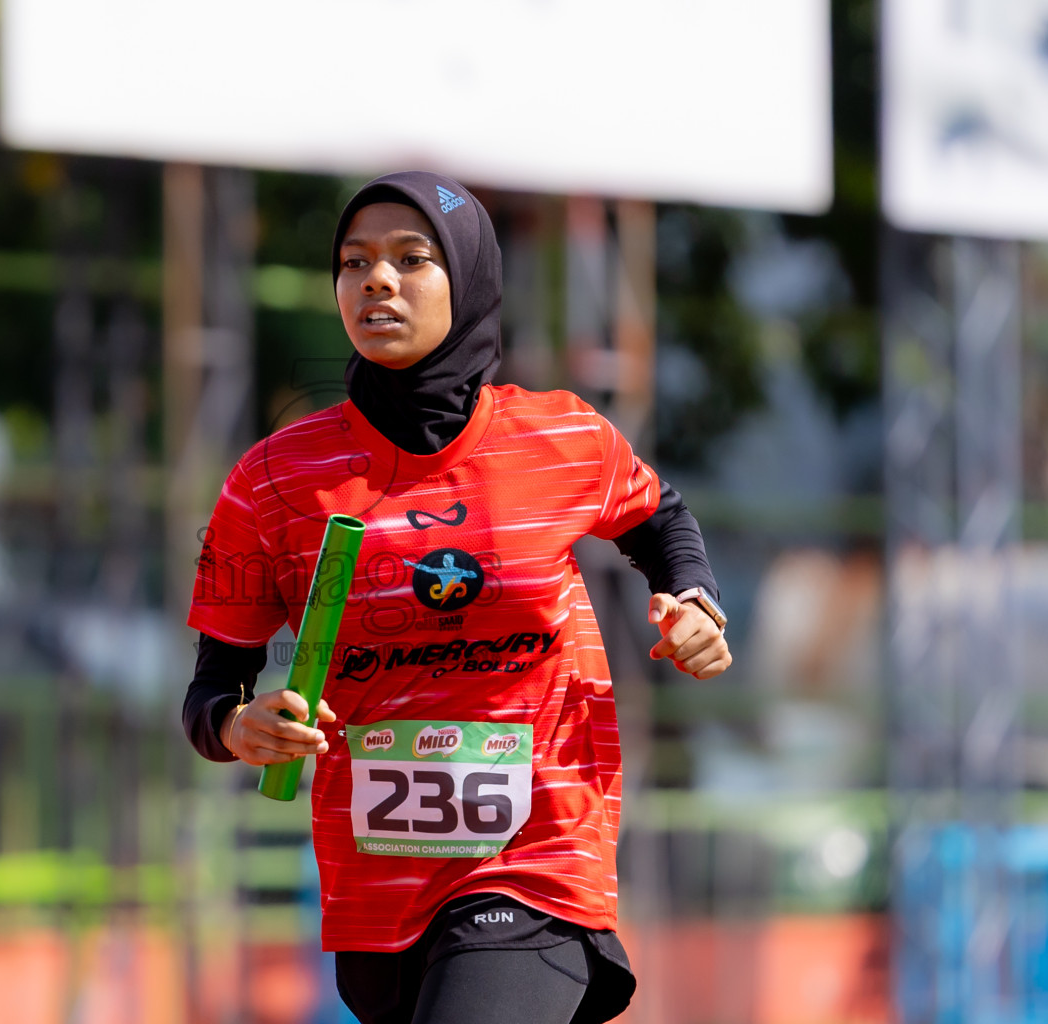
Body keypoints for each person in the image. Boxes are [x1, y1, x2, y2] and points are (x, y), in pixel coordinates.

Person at [183, 171, 731, 1024]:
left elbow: (659, 517)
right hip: (376, 896)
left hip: (537, 858)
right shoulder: (273, 480)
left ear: (469, 278)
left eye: (412, 259)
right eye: (354, 262)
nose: (378, 281)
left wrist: (692, 598)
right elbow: (213, 688)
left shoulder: (561, 436)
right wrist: (238, 726)